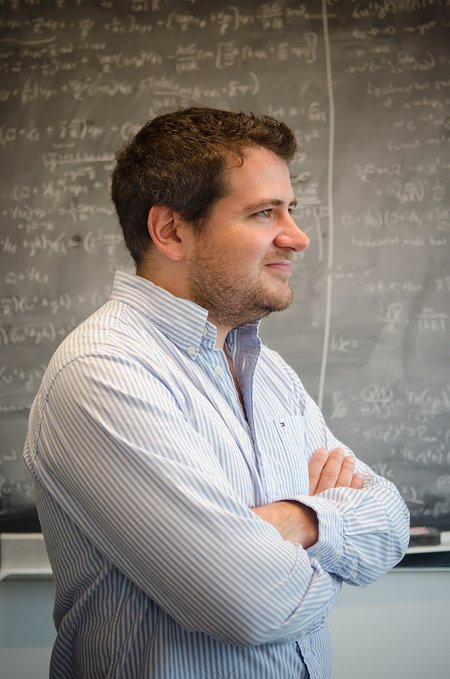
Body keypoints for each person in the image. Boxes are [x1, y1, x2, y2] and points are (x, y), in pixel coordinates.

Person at [24, 107, 410, 679]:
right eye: (263, 212)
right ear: (171, 231)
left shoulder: (270, 372)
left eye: (291, 210)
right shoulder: (104, 371)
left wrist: (297, 521)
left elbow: (392, 522)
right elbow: (255, 604)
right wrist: (333, 528)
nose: (297, 237)